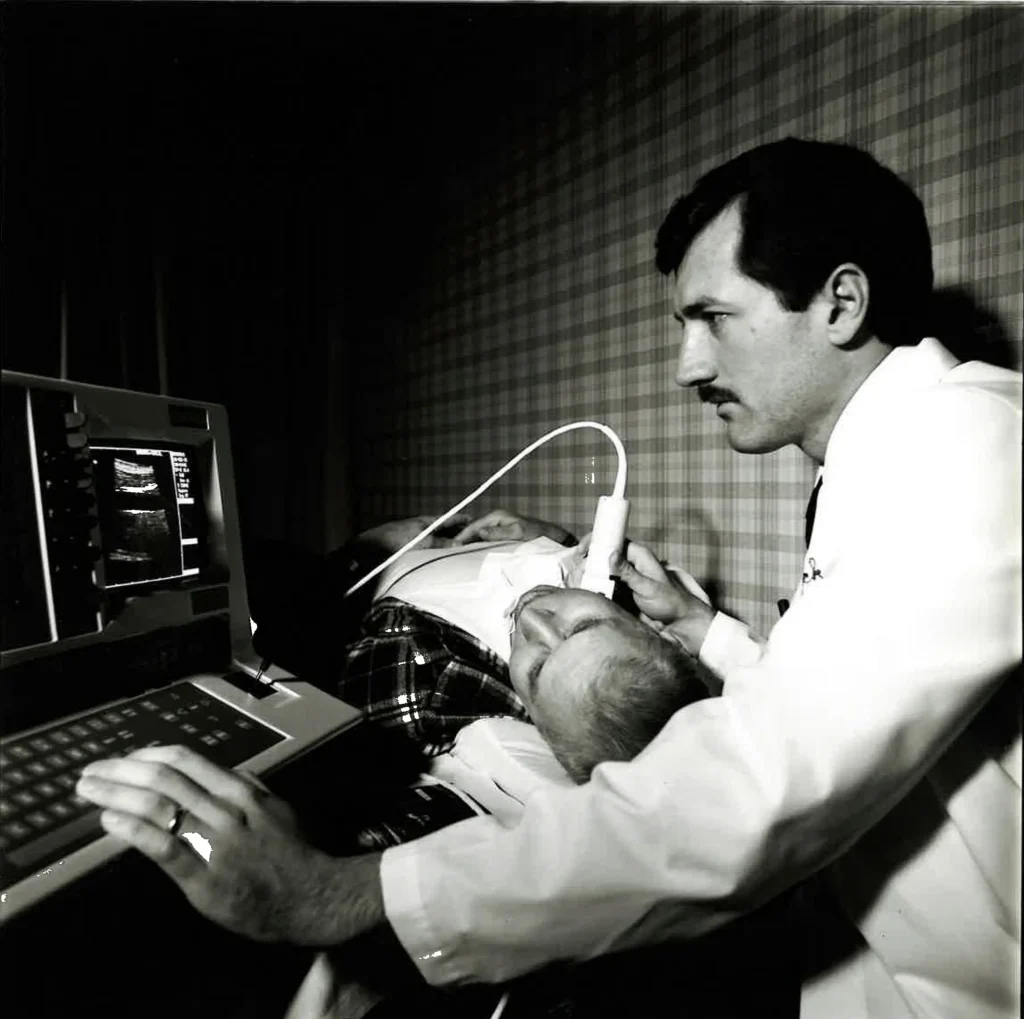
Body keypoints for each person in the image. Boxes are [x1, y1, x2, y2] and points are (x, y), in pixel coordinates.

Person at [76, 138, 1021, 1018]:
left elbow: (763, 782)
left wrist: (346, 893)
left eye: (712, 318)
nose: (686, 365)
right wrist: (710, 634)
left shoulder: (966, 442)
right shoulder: (883, 459)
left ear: (841, 303)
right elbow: (847, 695)